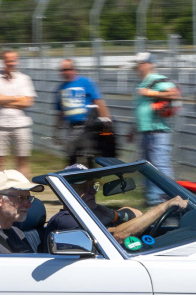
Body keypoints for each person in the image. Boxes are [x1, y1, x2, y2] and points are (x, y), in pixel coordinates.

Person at [46, 165, 187, 242]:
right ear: (65, 192)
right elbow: (117, 236)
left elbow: (136, 213)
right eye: (84, 188)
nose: (93, 192)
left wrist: (111, 214)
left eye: (93, 186)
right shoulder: (65, 220)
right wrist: (163, 207)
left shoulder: (90, 212)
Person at [132, 52, 180, 202]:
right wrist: (133, 129)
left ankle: (168, 199)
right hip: (146, 131)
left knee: (160, 166)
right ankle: (152, 199)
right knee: (148, 167)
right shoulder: (143, 83)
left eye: (140, 64)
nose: (137, 67)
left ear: (148, 65)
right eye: (137, 65)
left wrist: (150, 93)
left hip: (158, 131)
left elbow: (174, 94)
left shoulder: (157, 79)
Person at [0, 49, 36, 179]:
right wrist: (17, 98)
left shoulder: (24, 79)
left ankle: (23, 190)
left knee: (22, 162)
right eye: (8, 60)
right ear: (3, 61)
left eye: (13, 60)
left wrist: (5, 100)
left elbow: (28, 102)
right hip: (0, 124)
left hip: (21, 124)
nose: (11, 63)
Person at [53, 59, 110, 165]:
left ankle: (89, 174)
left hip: (87, 125)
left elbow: (98, 101)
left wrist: (106, 121)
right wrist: (56, 131)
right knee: (72, 155)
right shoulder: (60, 89)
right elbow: (60, 113)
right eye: (63, 70)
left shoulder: (85, 82)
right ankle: (74, 173)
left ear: (75, 70)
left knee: (87, 155)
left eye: (68, 69)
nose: (65, 72)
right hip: (72, 127)